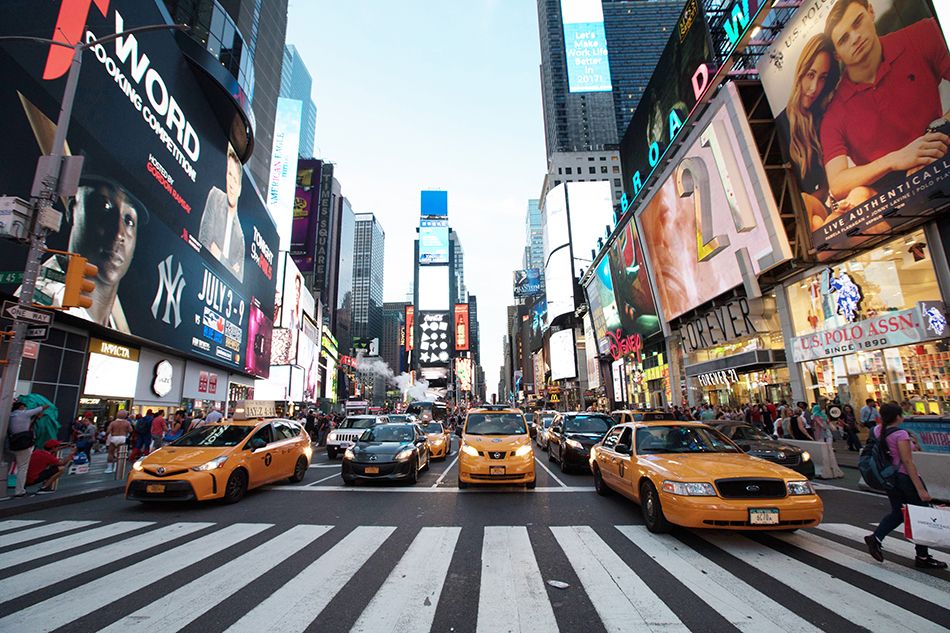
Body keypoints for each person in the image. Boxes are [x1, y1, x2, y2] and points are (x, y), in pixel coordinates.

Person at [821, 0, 950, 201]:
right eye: (844, 39)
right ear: (837, 55)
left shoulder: (921, 35)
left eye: (857, 22)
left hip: (942, 153)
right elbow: (837, 183)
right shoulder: (834, 114)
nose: (855, 38)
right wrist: (896, 159)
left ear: (871, 12)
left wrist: (935, 137)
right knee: (858, 196)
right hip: (892, 199)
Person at [21, 177, 146, 333]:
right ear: (73, 209)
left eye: (129, 220)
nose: (118, 234)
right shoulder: (42, 302)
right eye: (104, 206)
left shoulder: (118, 326)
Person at [774, 33, 867, 230]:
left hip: (839, 201)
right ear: (800, 73)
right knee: (810, 213)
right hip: (812, 211)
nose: (814, 87)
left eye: (822, 77)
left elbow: (833, 182)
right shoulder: (781, 125)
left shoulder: (827, 114)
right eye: (810, 75)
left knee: (815, 216)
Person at [864, 403, 947, 570]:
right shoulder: (900, 434)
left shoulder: (877, 430)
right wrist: (921, 489)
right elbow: (907, 462)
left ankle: (876, 537)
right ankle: (922, 556)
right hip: (904, 478)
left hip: (888, 478)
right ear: (897, 417)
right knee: (921, 514)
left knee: (898, 511)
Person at [198, 143, 245, 282]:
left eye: (235, 180)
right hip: (201, 274)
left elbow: (238, 279)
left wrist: (220, 258)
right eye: (230, 175)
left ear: (240, 188)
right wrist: (230, 266)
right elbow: (203, 242)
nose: (231, 183)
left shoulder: (240, 236)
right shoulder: (215, 197)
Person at [2, 401, 49, 498]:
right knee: (22, 467)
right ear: (22, 407)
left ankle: (2, 486)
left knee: (6, 466)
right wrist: (43, 405)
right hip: (23, 445)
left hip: (11, 443)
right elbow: (43, 407)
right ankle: (19, 491)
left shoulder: (10, 415)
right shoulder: (24, 414)